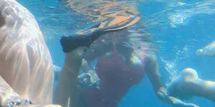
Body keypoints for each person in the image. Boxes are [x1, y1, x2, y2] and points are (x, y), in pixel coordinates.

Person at [54, 25, 197, 107]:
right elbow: (79, 58)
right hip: (80, 100)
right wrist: (90, 71)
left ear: (136, 36)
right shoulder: (107, 45)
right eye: (117, 33)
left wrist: (176, 102)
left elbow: (159, 89)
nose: (118, 37)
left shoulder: (148, 58)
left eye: (124, 33)